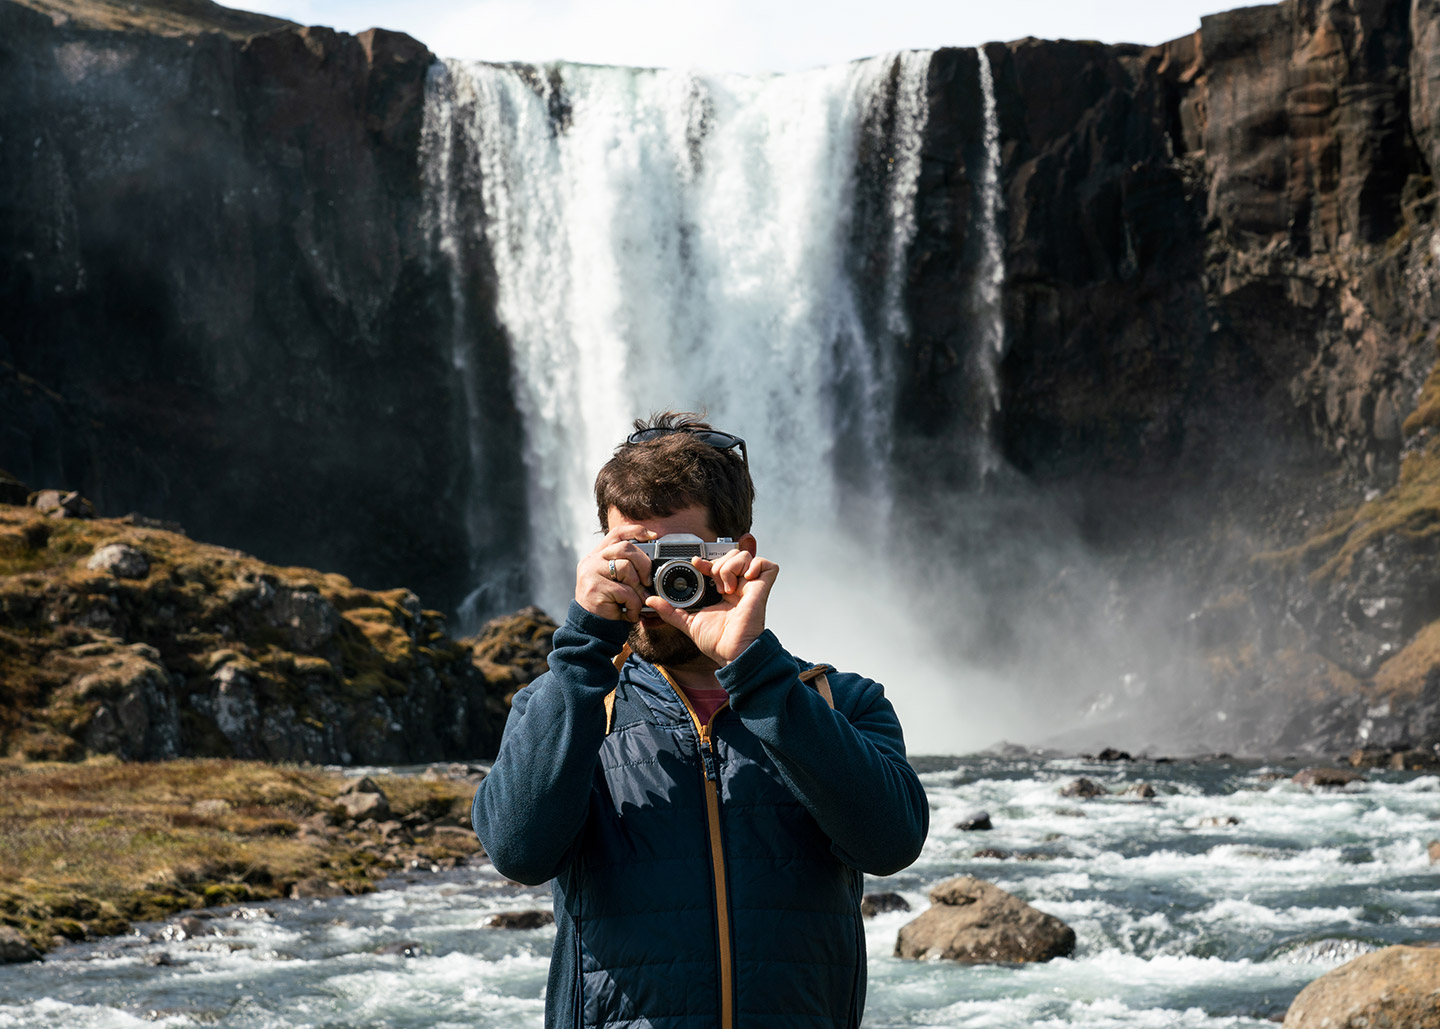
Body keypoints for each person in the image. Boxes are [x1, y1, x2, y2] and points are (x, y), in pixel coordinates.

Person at [472, 411, 929, 1029]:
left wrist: (756, 672)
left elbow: (891, 843)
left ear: (738, 555)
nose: (661, 579)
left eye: (680, 554)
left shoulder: (837, 704)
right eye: (634, 552)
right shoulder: (568, 704)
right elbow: (518, 852)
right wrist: (585, 645)